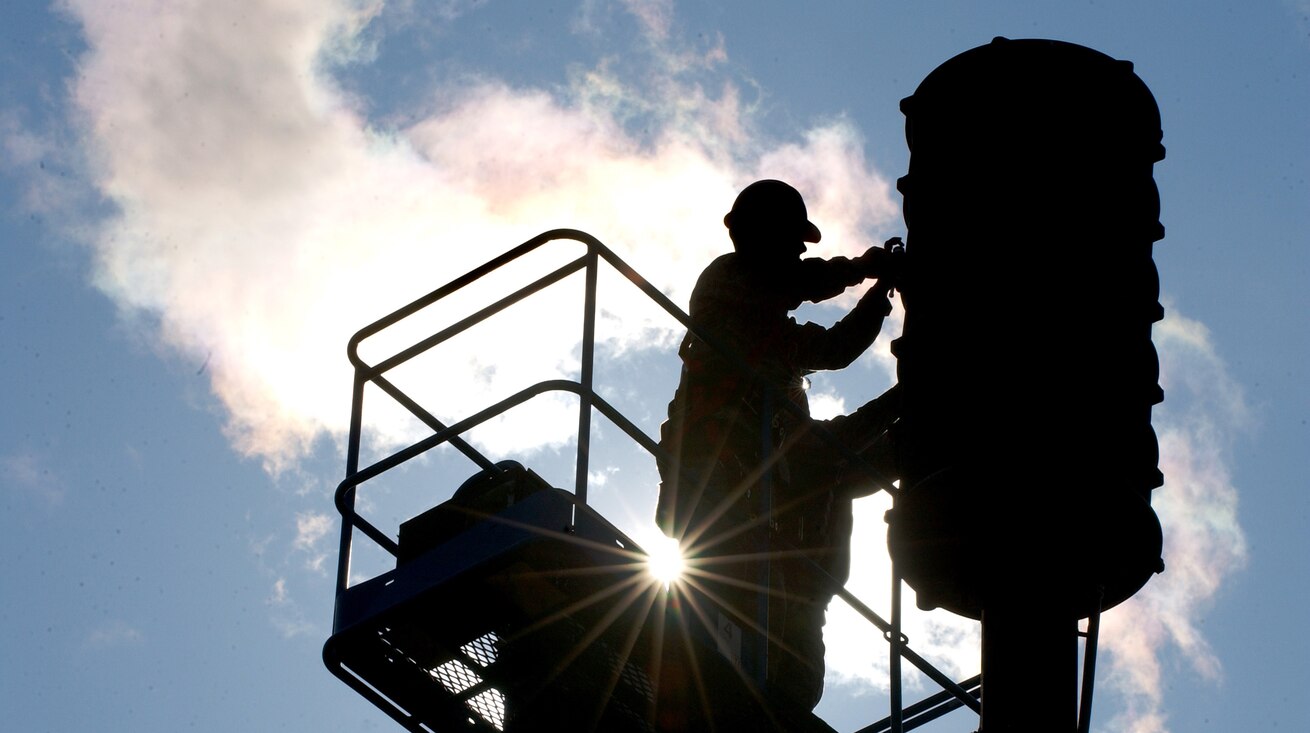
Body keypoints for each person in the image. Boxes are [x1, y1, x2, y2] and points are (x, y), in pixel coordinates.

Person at [656, 179, 902, 712]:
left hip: (762, 528)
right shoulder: (727, 284)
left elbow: (834, 350)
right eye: (792, 239)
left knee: (787, 655)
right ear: (757, 235)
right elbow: (793, 279)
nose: (799, 248)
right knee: (731, 606)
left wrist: (879, 297)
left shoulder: (775, 347)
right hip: (713, 492)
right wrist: (862, 268)